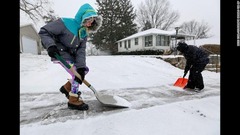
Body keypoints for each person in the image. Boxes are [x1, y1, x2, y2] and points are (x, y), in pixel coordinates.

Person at [38, 3, 102, 110]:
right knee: (75, 73)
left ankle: (67, 88)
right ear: (83, 17)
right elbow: (44, 31)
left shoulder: (84, 33)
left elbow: (81, 51)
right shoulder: (65, 23)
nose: (90, 23)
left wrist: (81, 67)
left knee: (83, 71)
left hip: (70, 55)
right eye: (89, 19)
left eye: (93, 20)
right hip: (58, 53)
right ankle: (73, 100)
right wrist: (50, 46)